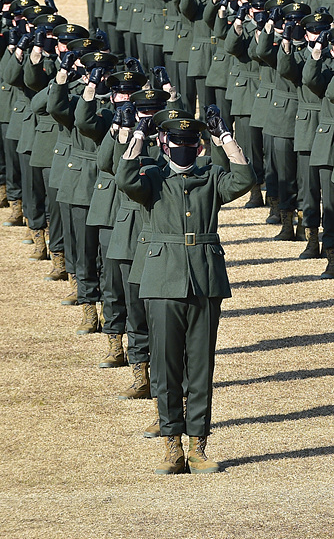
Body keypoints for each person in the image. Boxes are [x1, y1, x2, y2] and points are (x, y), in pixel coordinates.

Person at [116, 108, 256, 474]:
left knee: (200, 366)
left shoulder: (211, 175)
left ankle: (198, 446)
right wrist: (138, 137)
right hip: (163, 279)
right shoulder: (152, 175)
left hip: (204, 279)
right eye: (177, 142)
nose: (183, 148)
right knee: (164, 367)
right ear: (166, 143)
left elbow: (244, 179)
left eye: (190, 143)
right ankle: (171, 446)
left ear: (198, 145)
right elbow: (124, 178)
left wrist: (225, 137)